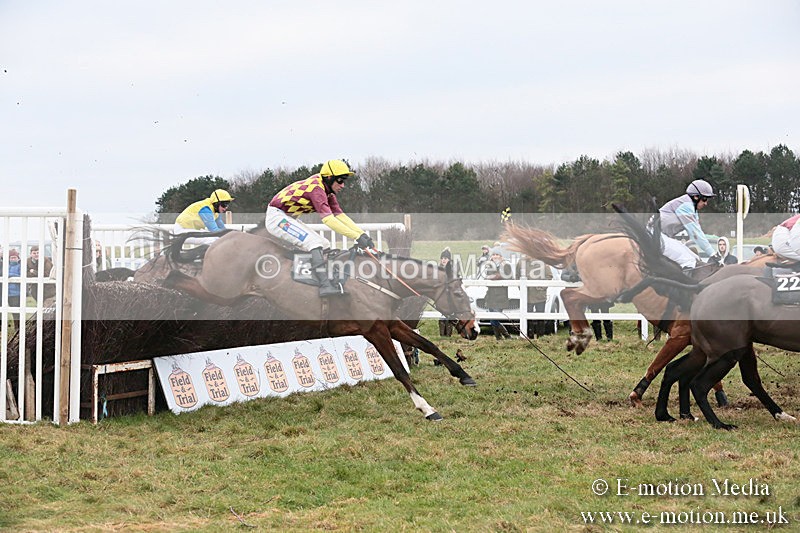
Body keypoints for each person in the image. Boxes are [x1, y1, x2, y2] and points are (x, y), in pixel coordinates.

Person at [266, 159, 374, 297]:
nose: (343, 185)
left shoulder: (327, 191)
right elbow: (328, 220)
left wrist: (362, 234)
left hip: (288, 217)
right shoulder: (317, 189)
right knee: (314, 242)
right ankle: (324, 285)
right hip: (276, 218)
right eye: (340, 180)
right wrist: (356, 236)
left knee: (325, 244)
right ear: (329, 178)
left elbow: (340, 216)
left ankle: (317, 279)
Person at [657, 179, 716, 269]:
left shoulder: (692, 209)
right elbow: (695, 234)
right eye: (704, 199)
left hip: (663, 236)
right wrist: (712, 253)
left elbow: (698, 233)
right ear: (695, 197)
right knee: (689, 260)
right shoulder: (686, 206)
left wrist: (712, 253)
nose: (706, 203)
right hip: (656, 236)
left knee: (696, 258)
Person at [483, 249, 512, 340]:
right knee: (492, 319)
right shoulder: (489, 266)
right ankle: (499, 338)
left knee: (494, 318)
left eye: (497, 254)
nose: (495, 256)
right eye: (493, 254)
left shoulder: (506, 265)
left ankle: (506, 336)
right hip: (490, 296)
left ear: (501, 256)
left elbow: (509, 277)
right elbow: (486, 277)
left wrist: (496, 276)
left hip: (500, 296)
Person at [438, 248, 454, 337]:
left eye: (445, 258)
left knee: (449, 313)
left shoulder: (452, 269)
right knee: (441, 314)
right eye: (442, 258)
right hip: (440, 294)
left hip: (449, 294)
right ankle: (442, 334)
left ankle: (448, 334)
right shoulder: (438, 269)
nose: (443, 260)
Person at [5, 248, 21, 331]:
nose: (13, 259)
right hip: (7, 293)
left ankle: (18, 328)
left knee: (17, 312)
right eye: (11, 257)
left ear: (18, 258)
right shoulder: (6, 266)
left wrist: (10, 275)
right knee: (10, 311)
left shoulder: (20, 266)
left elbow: (21, 276)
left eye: (15, 257)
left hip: (16, 293)